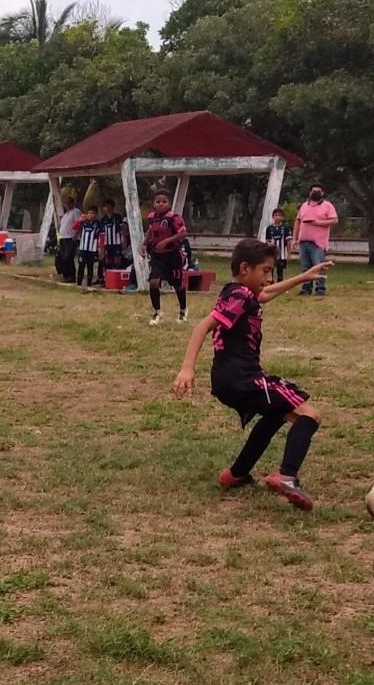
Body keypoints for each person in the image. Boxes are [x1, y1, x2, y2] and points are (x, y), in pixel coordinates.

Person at [172, 239, 334, 510]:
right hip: (242, 377)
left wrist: (303, 277)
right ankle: (287, 476)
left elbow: (266, 294)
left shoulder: (238, 292)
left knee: (274, 413)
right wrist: (187, 367)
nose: (269, 277)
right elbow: (203, 326)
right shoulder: (240, 296)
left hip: (228, 381)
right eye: (266, 271)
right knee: (309, 414)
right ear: (245, 269)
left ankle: (235, 474)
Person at [141, 190, 189, 325]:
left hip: (172, 255)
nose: (161, 204)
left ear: (169, 203)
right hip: (157, 255)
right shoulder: (151, 218)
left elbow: (183, 233)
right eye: (158, 202)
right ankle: (157, 312)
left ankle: (183, 310)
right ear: (154, 204)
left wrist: (167, 241)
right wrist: (144, 244)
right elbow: (150, 231)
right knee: (154, 281)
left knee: (177, 284)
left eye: (164, 201)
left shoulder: (174, 218)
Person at [291, 183, 338, 296]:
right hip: (303, 242)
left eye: (318, 191)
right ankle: (306, 289)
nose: (315, 193)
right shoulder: (304, 205)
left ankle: (320, 289)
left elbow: (335, 220)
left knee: (319, 266)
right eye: (313, 191)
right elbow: (297, 222)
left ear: (322, 193)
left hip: (318, 243)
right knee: (305, 267)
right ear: (309, 192)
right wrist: (294, 238)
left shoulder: (327, 205)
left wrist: (318, 223)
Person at [98, 199, 128, 284]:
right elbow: (101, 234)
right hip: (107, 244)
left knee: (117, 260)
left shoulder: (117, 217)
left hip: (117, 243)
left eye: (109, 207)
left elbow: (123, 230)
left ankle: (117, 279)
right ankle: (108, 279)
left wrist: (124, 241)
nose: (107, 209)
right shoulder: (103, 219)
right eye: (105, 207)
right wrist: (101, 247)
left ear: (113, 207)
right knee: (107, 261)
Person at [76, 207, 103, 288]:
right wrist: (79, 220)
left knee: (90, 266)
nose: (91, 215)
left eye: (93, 213)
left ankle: (89, 283)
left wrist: (100, 248)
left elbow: (101, 236)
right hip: (82, 249)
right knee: (81, 265)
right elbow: (74, 227)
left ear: (96, 214)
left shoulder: (98, 224)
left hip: (92, 249)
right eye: (89, 213)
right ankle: (79, 283)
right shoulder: (83, 222)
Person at [56, 195, 80, 283]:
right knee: (62, 257)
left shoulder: (75, 211)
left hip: (71, 237)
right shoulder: (66, 214)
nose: (66, 205)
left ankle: (71, 275)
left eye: (67, 203)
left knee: (68, 257)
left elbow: (78, 223)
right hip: (63, 237)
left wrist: (76, 235)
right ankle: (66, 274)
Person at [265, 208, 292, 282]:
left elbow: (289, 241)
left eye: (279, 215)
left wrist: (289, 253)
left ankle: (280, 283)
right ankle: (271, 283)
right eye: (276, 215)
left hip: (282, 254)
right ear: (273, 217)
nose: (277, 217)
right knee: (271, 269)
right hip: (272, 254)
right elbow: (267, 240)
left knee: (280, 270)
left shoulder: (286, 228)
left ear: (283, 217)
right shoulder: (269, 228)